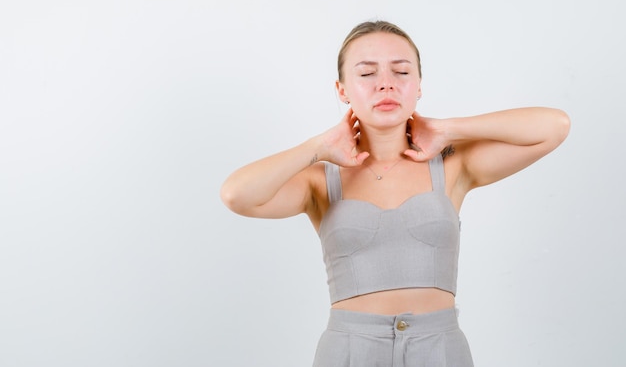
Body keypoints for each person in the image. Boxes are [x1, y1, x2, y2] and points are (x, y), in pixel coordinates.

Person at [220, 20, 570, 367]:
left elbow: (554, 127)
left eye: (401, 73)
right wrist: (319, 146)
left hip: (440, 350)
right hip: (349, 352)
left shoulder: (452, 167)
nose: (385, 85)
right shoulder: (320, 179)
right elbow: (237, 194)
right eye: (367, 74)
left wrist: (448, 130)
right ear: (342, 90)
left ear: (419, 85)